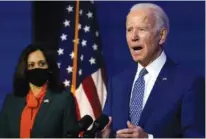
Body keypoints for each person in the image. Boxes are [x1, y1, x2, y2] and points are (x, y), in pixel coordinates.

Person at [102, 3, 205, 138]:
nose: (134, 37)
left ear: (161, 35)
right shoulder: (117, 83)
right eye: (129, 29)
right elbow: (108, 130)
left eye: (142, 29)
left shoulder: (189, 83)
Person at [0, 43, 77, 138]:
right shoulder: (11, 101)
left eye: (41, 64)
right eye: (31, 65)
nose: (37, 68)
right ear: (24, 70)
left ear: (49, 67)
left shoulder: (63, 100)